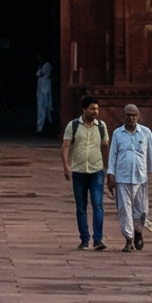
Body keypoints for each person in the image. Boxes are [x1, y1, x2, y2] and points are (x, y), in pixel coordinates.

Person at [105, 103, 152, 252]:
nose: (131, 118)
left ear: (138, 116)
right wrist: (110, 173)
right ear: (124, 116)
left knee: (141, 210)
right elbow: (113, 155)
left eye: (134, 115)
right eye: (128, 115)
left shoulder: (145, 133)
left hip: (140, 177)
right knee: (124, 209)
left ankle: (138, 232)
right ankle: (128, 239)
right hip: (122, 178)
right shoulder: (118, 133)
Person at [60, 94, 111, 250]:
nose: (95, 111)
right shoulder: (73, 125)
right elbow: (66, 146)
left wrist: (109, 169)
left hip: (96, 171)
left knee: (98, 205)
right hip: (79, 171)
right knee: (81, 207)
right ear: (84, 109)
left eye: (97, 108)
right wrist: (66, 166)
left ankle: (98, 239)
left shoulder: (101, 126)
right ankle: (84, 238)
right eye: (92, 109)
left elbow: (105, 147)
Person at [35, 58, 54, 135]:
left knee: (46, 108)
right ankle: (40, 128)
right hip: (41, 89)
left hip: (45, 89)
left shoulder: (47, 65)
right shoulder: (42, 66)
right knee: (42, 109)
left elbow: (40, 74)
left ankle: (44, 127)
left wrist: (39, 68)